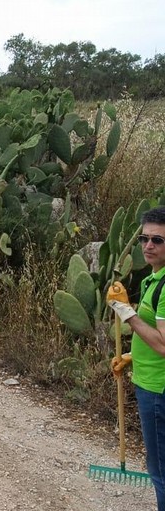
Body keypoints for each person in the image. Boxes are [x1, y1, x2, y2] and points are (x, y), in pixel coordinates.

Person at [108, 206, 165, 510]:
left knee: (160, 472)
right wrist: (130, 356)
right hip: (150, 379)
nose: (148, 246)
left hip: (158, 390)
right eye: (145, 238)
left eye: (158, 240)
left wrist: (126, 313)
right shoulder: (151, 280)